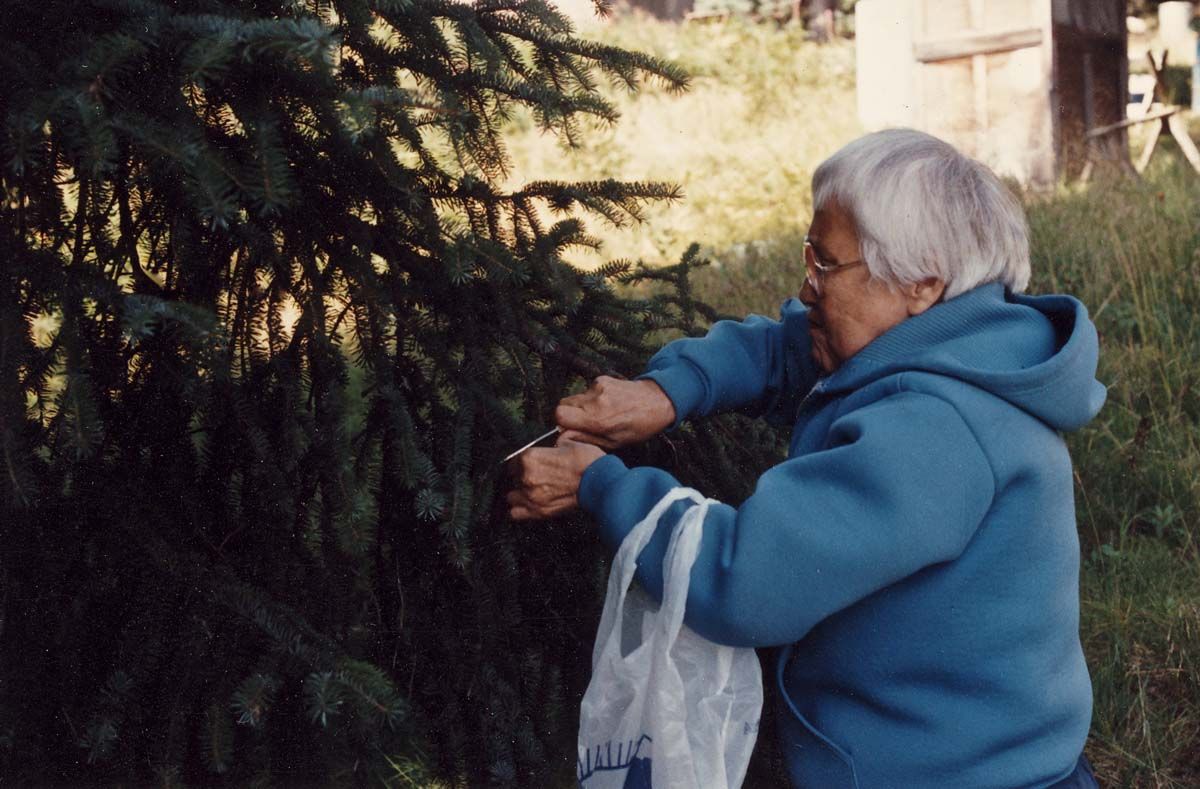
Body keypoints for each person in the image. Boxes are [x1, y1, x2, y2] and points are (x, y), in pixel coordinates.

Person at [506, 129, 1104, 788]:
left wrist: (599, 485)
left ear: (922, 282)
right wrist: (665, 393)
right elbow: (780, 350)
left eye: (827, 261)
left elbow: (742, 583)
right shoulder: (962, 347)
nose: (807, 283)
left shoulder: (935, 430)